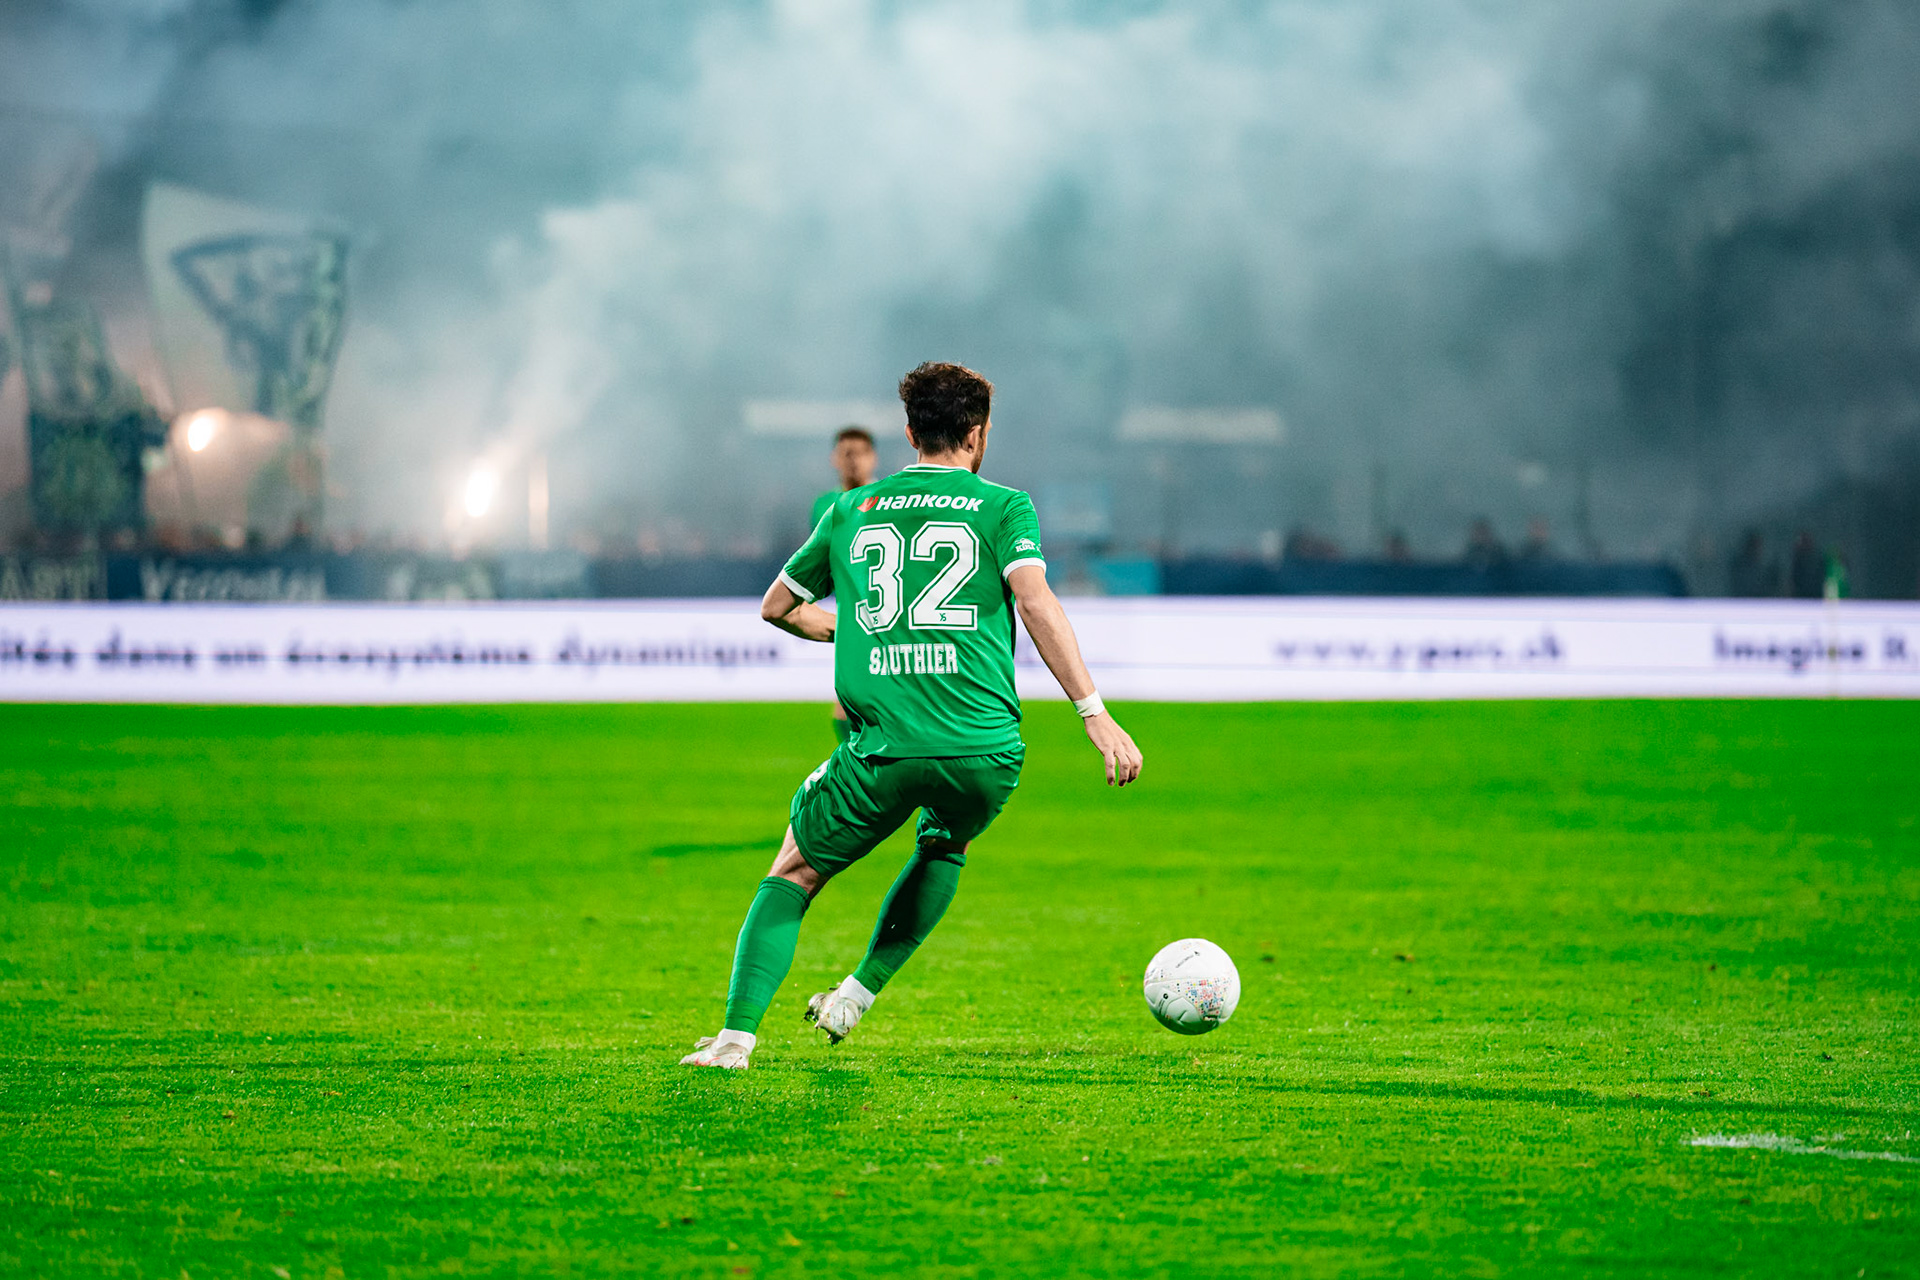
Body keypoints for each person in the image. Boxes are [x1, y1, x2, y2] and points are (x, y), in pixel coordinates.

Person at [680, 362, 1144, 1070]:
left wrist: (848, 632)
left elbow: (777, 607)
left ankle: (735, 1041)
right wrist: (1094, 712)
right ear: (978, 434)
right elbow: (1036, 602)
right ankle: (857, 995)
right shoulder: (1005, 507)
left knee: (795, 873)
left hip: (884, 753)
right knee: (943, 846)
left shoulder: (851, 510)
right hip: (985, 754)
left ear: (907, 432)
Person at [811, 426, 879, 743]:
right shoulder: (825, 505)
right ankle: (861, 766)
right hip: (852, 614)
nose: (853, 461)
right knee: (845, 704)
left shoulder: (889, 501)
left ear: (873, 458)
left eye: (859, 453)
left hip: (891, 612)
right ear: (834, 459)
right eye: (846, 454)